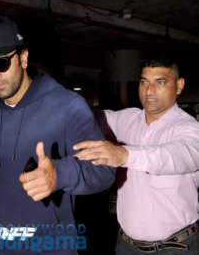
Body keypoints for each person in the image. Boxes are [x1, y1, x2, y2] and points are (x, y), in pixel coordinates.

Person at [0, 16, 115, 255]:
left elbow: (103, 171)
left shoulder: (68, 107)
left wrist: (59, 175)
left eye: (0, 63)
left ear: (23, 58)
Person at [73, 56, 199, 254]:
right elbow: (90, 118)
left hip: (175, 248)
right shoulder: (127, 119)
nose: (149, 91)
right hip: (126, 246)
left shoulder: (189, 128)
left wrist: (125, 155)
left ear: (179, 86)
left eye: (160, 82)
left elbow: (180, 155)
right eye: (144, 82)